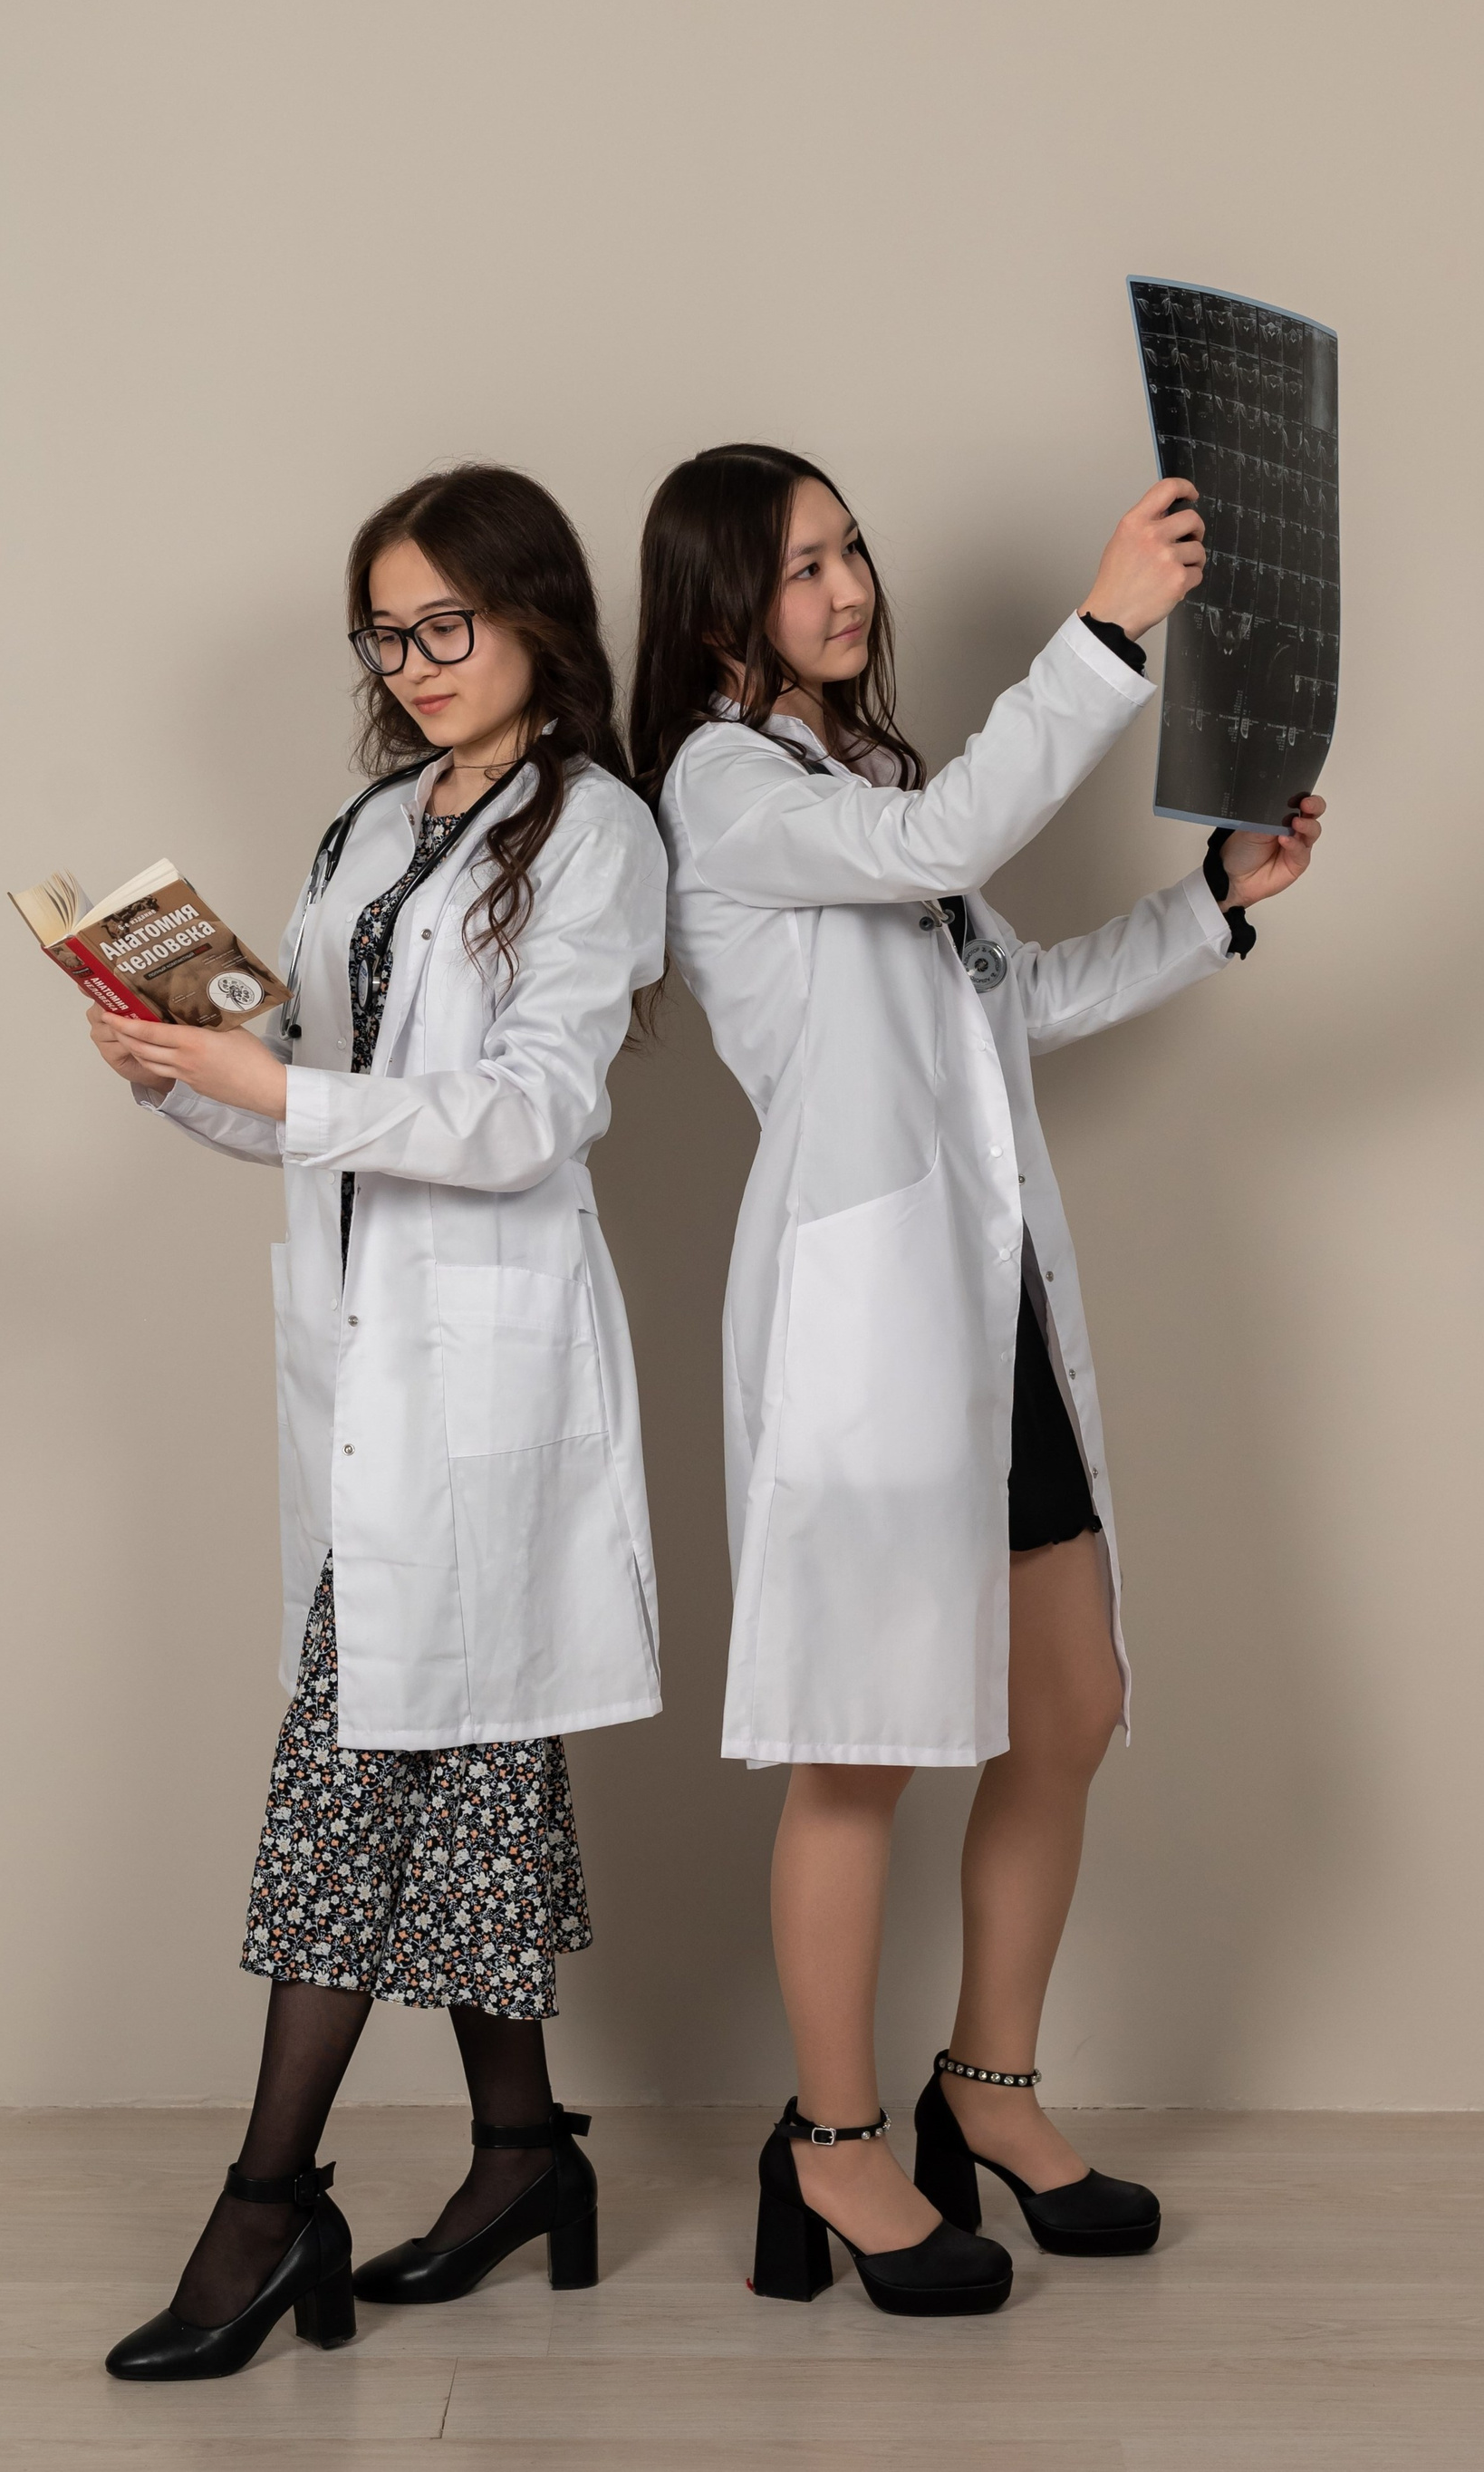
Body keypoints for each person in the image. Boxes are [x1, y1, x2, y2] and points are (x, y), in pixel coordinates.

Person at [631, 444, 1323, 2317]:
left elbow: (1021, 1000)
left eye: (852, 549)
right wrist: (1107, 629)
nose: (849, 587)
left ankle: (988, 2088)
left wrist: (1216, 900)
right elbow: (944, 852)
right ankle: (832, 2141)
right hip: (866, 1328)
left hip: (988, 1298)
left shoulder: (864, 783)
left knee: (1069, 1705)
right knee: (861, 1744)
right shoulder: (722, 787)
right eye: (802, 567)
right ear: (718, 604)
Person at [88, 464, 666, 2379]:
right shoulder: (365, 825)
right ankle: (523, 2154)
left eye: (445, 624)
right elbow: (314, 1098)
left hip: (485, 1374)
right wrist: (179, 1070)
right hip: (362, 1359)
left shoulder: (595, 829)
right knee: (464, 1768)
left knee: (352, 1777)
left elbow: (527, 1113)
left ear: (535, 616)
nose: (412, 663)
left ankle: (269, 2206)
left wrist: (279, 1087)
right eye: (386, 632)